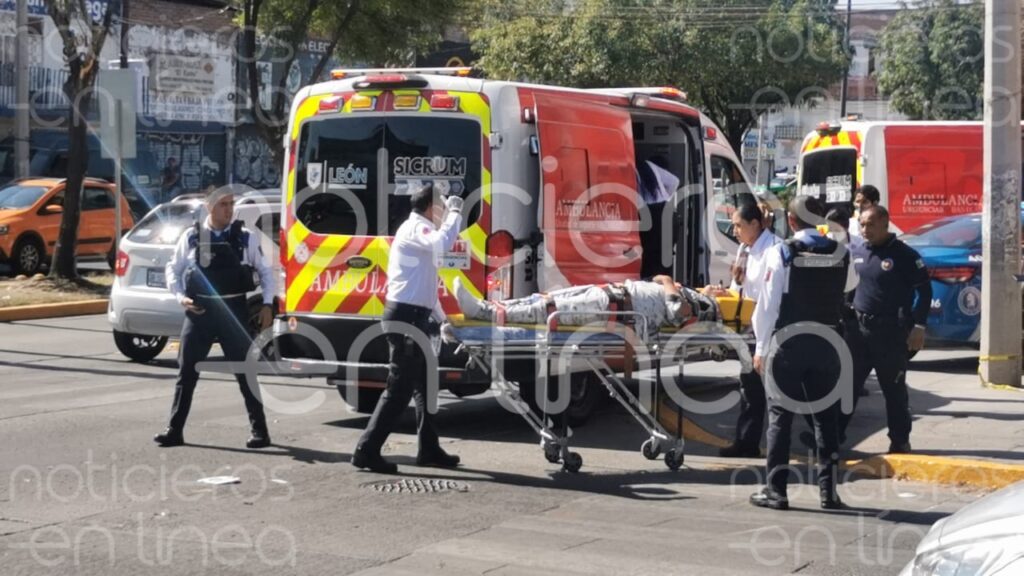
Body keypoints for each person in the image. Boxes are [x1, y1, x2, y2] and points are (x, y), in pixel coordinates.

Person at [352, 184, 464, 474]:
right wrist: (455, 213)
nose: (443, 212)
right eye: (440, 206)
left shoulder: (420, 233)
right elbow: (443, 243)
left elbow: (426, 286)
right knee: (398, 390)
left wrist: (442, 320)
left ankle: (428, 448)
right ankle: (367, 450)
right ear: (431, 207)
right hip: (405, 320)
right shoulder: (416, 229)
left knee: (427, 385)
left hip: (415, 317)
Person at [749, 196, 850, 511]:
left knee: (780, 418)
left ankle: (776, 492)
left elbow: (767, 306)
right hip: (827, 344)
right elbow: (847, 289)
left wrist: (761, 348)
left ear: (791, 221)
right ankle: (828, 493)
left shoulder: (782, 252)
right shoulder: (842, 252)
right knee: (826, 420)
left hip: (789, 344)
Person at [155, 186, 276, 448]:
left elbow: (266, 272)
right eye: (223, 204)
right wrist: (180, 297)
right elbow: (173, 269)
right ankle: (174, 430)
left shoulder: (245, 237)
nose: (229, 209)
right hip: (200, 312)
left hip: (234, 311)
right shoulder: (191, 237)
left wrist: (267, 304)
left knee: (245, 373)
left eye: (231, 204)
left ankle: (260, 432)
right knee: (186, 372)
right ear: (209, 208)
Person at [839, 205, 931, 454]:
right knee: (847, 387)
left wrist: (918, 326)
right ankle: (832, 438)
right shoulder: (855, 251)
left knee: (894, 390)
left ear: (884, 223)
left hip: (890, 333)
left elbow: (924, 291)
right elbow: (847, 285)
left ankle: (900, 440)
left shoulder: (905, 256)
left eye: (870, 224)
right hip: (858, 331)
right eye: (861, 224)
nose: (864, 229)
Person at [711, 199, 780, 458]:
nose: (735, 231)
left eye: (739, 225)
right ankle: (746, 442)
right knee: (749, 389)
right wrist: (726, 290)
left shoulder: (773, 250)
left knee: (775, 394)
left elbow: (770, 300)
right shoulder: (744, 249)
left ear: (755, 224)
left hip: (768, 330)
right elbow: (739, 288)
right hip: (748, 329)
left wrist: (762, 345)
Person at [452, 274, 727, 332]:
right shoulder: (699, 295)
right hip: (613, 297)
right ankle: (483, 305)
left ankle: (483, 312)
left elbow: (678, 312)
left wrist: (667, 282)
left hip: (615, 307)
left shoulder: (705, 307)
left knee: (549, 310)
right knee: (546, 299)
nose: (718, 289)